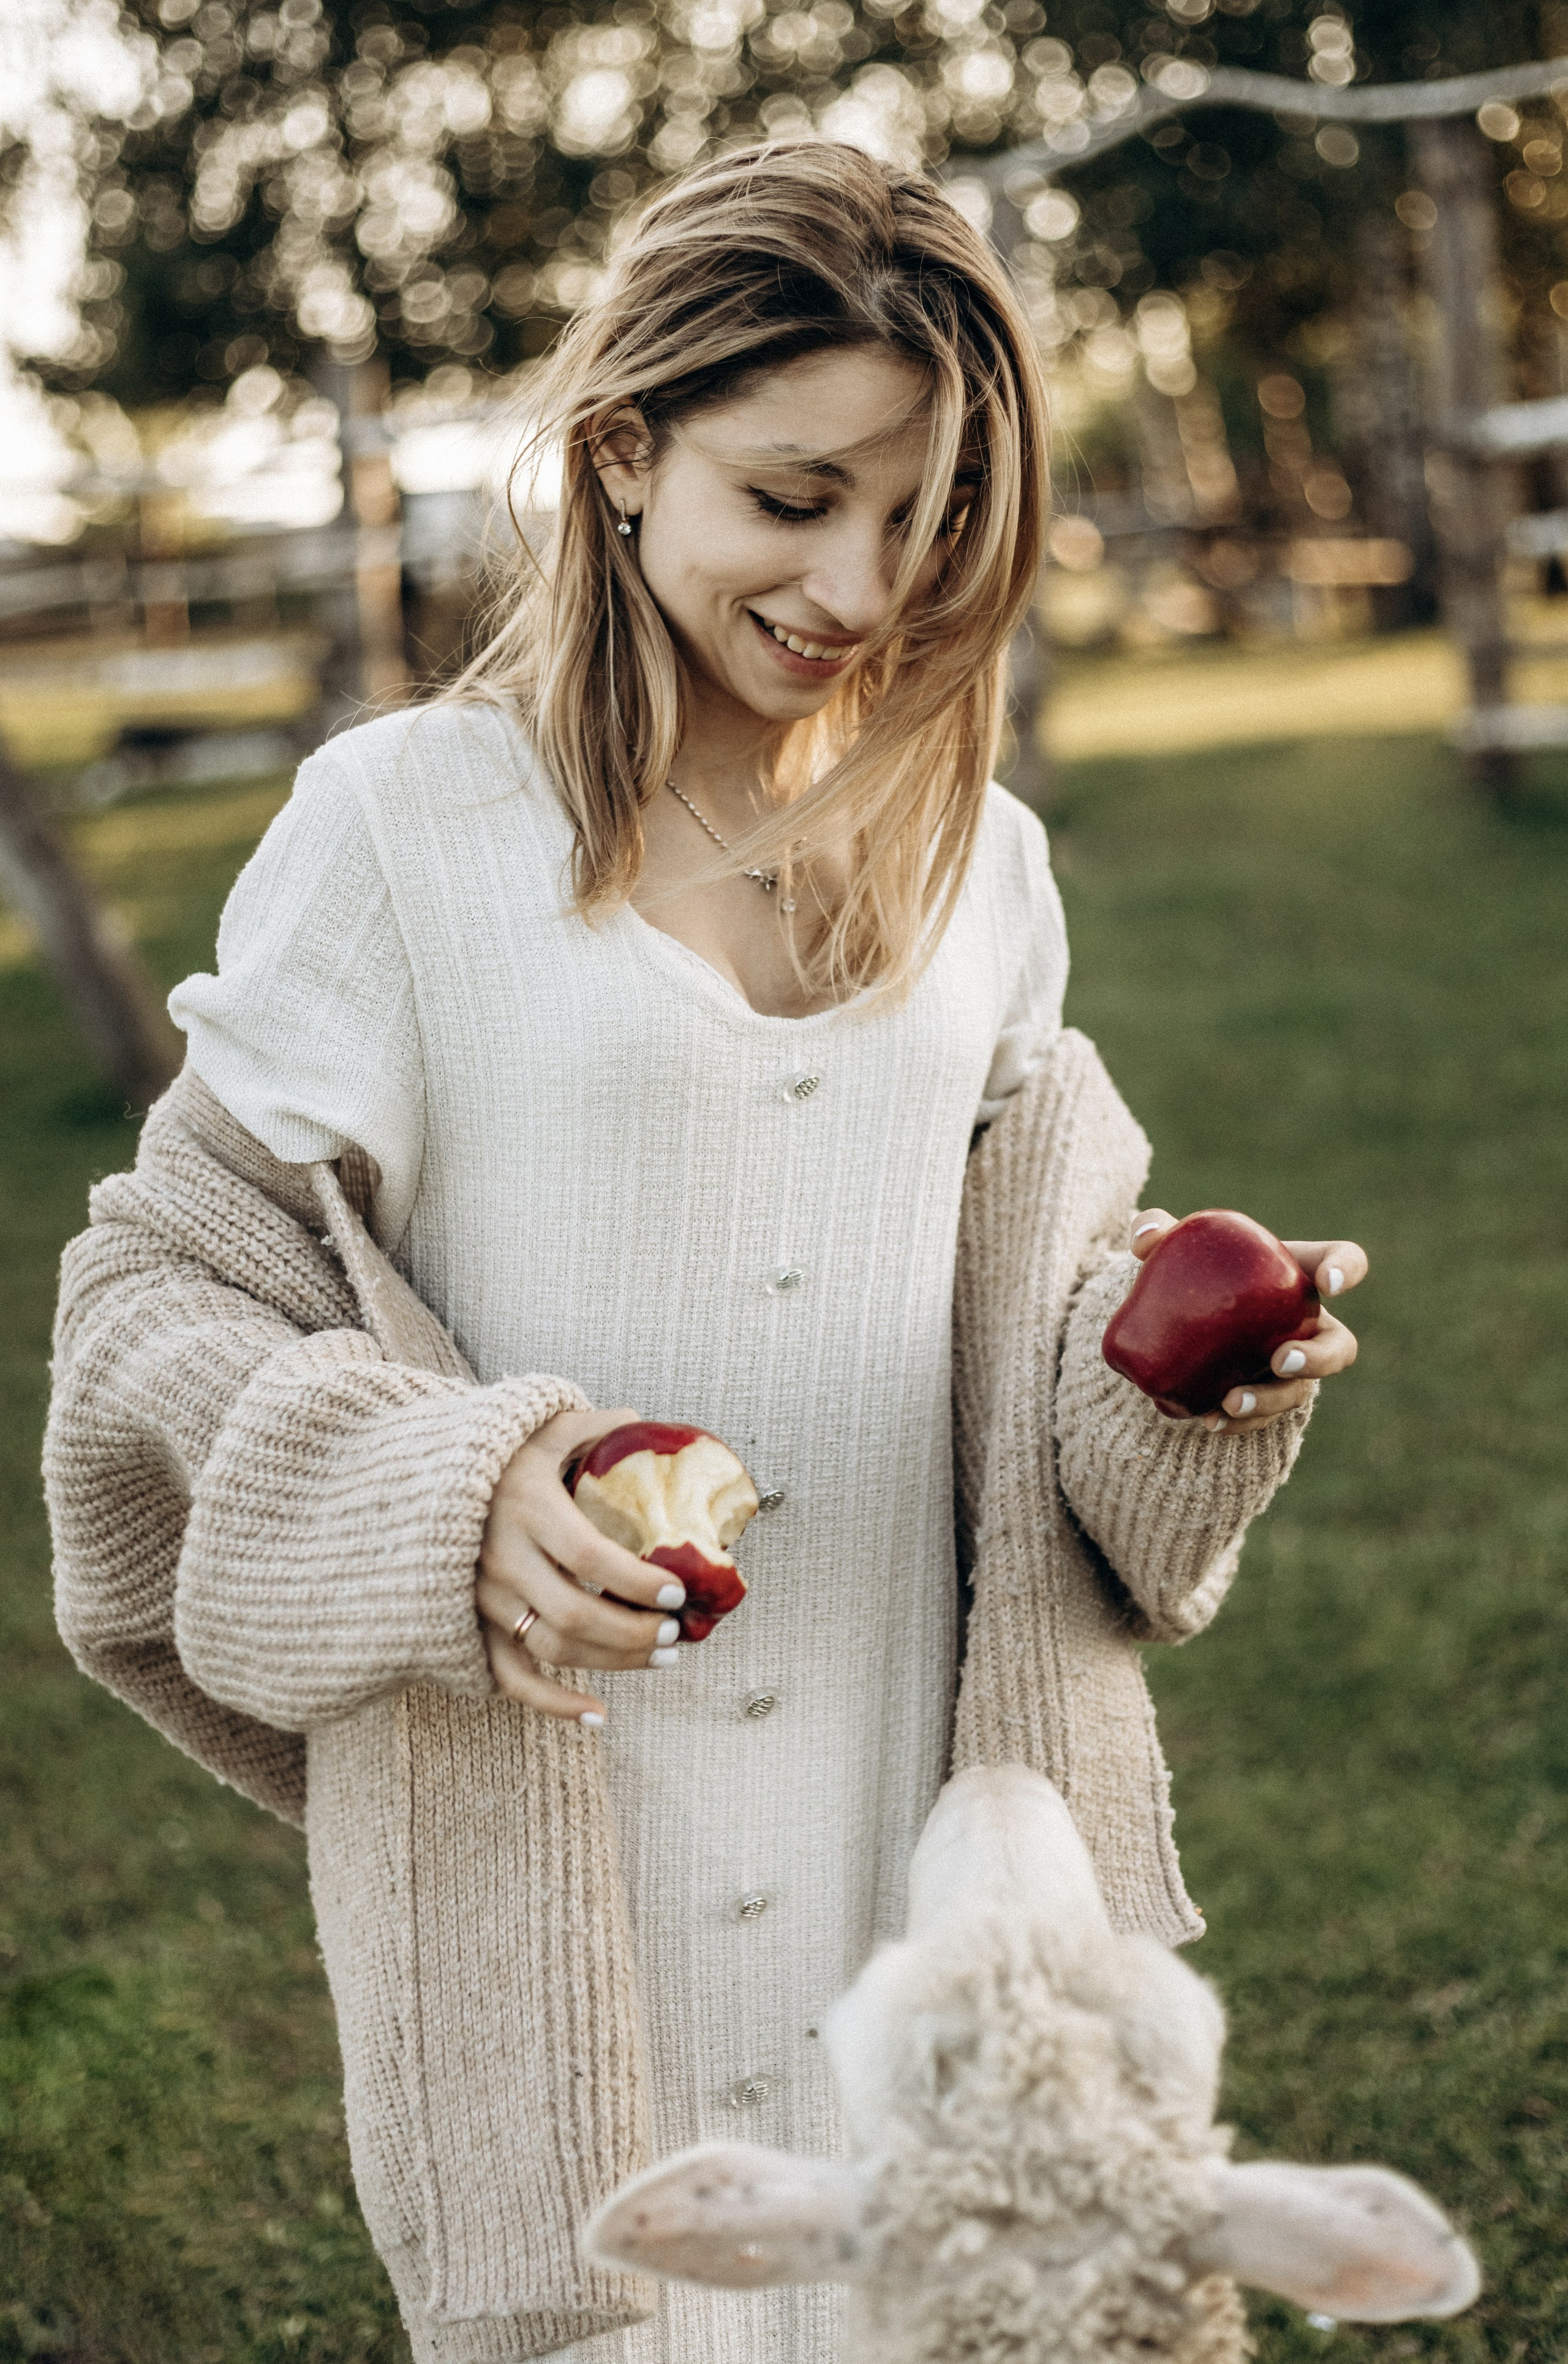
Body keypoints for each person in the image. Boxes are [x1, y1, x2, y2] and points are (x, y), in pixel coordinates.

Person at [45, 141, 1364, 2364]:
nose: (864, 582)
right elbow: (150, 1303)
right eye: (797, 496)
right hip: (566, 1858)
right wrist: (457, 1501)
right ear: (625, 451)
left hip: (922, 1843)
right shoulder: (401, 833)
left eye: (931, 517)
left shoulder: (983, 865)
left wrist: (1162, 1375)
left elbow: (1023, 1320)